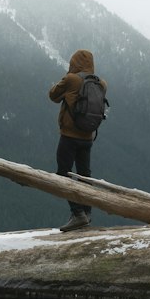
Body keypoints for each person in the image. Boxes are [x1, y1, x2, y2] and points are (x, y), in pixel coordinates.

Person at [48, 49, 107, 233]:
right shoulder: (101, 83)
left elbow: (53, 96)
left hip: (69, 137)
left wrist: (66, 76)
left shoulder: (71, 79)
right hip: (88, 137)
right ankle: (87, 213)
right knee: (84, 175)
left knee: (63, 173)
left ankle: (77, 213)